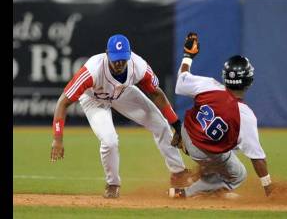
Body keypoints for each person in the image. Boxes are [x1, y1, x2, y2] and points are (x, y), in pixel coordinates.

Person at [50, 34, 192, 198]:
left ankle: (178, 173)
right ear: (107, 54)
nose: (119, 63)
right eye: (115, 58)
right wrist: (58, 137)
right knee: (109, 141)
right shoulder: (91, 71)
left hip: (123, 93)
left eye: (123, 59)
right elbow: (63, 102)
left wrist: (176, 124)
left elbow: (156, 94)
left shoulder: (138, 66)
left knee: (160, 124)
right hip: (94, 100)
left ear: (129, 54)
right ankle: (112, 184)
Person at [168, 32, 273, 198]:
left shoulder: (208, 85)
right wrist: (269, 190)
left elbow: (181, 81)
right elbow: (257, 157)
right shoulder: (245, 115)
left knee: (231, 147)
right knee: (239, 174)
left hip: (185, 136)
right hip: (203, 151)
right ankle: (186, 193)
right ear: (249, 81)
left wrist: (188, 56)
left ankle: (206, 177)